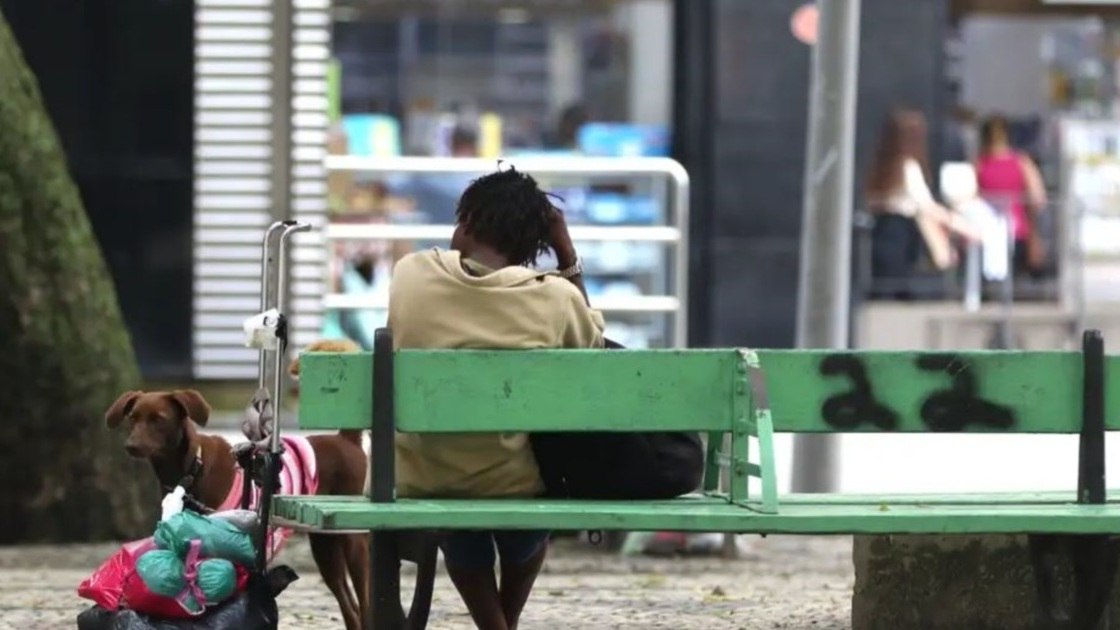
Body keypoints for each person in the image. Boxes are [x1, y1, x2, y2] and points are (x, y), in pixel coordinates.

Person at [387, 167, 603, 630]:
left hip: (424, 474)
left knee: (457, 478)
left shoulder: (410, 275)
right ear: (533, 245)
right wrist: (565, 250)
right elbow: (596, 359)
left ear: (465, 222)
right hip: (513, 481)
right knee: (521, 494)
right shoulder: (555, 299)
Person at [865, 109, 979, 298]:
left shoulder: (882, 168)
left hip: (883, 231)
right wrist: (960, 224)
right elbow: (925, 205)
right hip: (901, 232)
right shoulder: (907, 168)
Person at [975, 114, 1048, 276]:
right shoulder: (1022, 162)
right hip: (1017, 227)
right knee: (1014, 280)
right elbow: (1038, 198)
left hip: (985, 228)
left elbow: (970, 195)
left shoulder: (979, 164)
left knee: (985, 280)